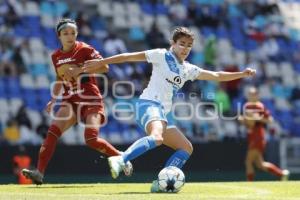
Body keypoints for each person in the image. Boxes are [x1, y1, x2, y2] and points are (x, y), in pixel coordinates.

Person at [65, 27, 256, 192]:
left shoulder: (187, 69)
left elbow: (216, 75)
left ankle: (159, 183)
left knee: (186, 148)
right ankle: (121, 158)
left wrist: (241, 74)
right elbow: (128, 57)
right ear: (172, 43)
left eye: (189, 45)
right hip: (148, 105)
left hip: (163, 113)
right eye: (182, 43)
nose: (185, 48)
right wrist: (101, 62)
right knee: (157, 138)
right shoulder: (161, 55)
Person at [22, 18, 132, 185]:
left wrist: (80, 69)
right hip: (70, 100)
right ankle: (39, 172)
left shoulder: (85, 49)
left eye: (73, 33)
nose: (70, 36)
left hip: (90, 98)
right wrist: (53, 99)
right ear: (59, 36)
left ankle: (121, 156)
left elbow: (105, 67)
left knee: (91, 139)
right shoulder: (56, 56)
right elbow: (60, 78)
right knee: (51, 133)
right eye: (65, 33)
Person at [238, 87, 289, 181]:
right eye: (250, 94)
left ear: (257, 95)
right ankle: (281, 174)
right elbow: (248, 122)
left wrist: (257, 118)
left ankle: (250, 184)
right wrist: (242, 120)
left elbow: (270, 120)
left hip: (258, 135)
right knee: (260, 164)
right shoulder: (247, 105)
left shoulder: (260, 106)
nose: (251, 96)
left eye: (253, 94)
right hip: (251, 135)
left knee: (248, 161)